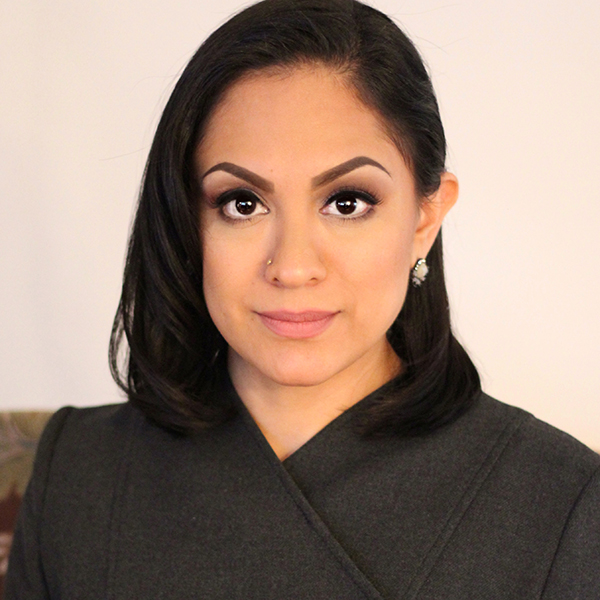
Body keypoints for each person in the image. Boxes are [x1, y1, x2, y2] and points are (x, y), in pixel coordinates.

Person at [6, 0, 599, 597]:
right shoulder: (76, 475)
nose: (291, 267)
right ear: (187, 218)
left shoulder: (562, 504)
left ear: (425, 217)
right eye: (242, 203)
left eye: (347, 202)